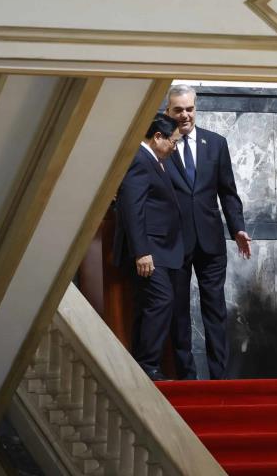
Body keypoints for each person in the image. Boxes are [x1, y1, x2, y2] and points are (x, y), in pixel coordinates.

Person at [163, 84, 252, 380]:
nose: (185, 115)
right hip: (173, 242)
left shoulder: (216, 143)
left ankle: (219, 377)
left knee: (215, 309)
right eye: (178, 110)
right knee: (179, 312)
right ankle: (186, 377)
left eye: (189, 109)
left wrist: (237, 228)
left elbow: (228, 192)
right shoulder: (160, 145)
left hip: (211, 241)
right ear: (168, 112)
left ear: (195, 108)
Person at [113, 113, 183, 381]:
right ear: (157, 137)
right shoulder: (140, 160)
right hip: (150, 251)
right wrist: (142, 252)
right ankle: (148, 365)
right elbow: (131, 208)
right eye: (172, 142)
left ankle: (143, 364)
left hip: (159, 249)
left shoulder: (152, 160)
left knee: (150, 303)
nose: (174, 147)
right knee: (160, 300)